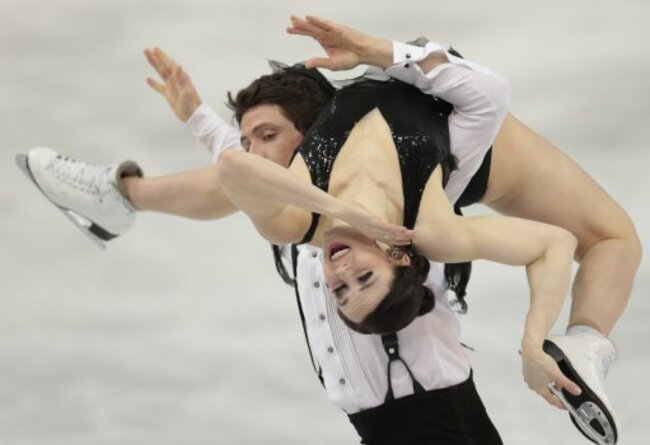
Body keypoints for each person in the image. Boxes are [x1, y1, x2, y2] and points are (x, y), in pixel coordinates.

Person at [17, 16, 639, 445]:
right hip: (459, 128)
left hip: (405, 396)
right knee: (616, 237)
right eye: (359, 277)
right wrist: (533, 346)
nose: (337, 271)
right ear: (398, 255)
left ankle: (116, 195)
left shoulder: (307, 219)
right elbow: (493, 106)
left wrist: (339, 212)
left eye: (340, 288)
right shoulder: (426, 230)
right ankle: (584, 343)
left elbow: (237, 169)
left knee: (264, 177)